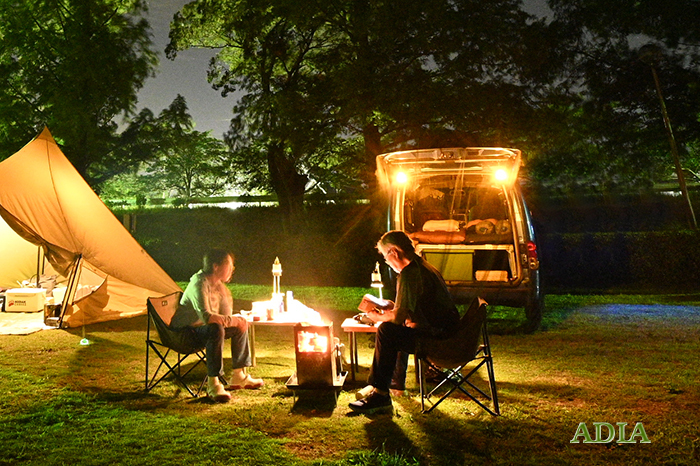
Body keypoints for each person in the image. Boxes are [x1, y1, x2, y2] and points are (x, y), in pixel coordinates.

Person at [349, 230, 460, 414]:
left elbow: (399, 317)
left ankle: (380, 393)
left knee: (387, 330)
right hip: (449, 334)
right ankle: (386, 388)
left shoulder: (410, 273)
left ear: (394, 252)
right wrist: (393, 309)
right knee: (396, 330)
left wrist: (376, 317)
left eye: (385, 257)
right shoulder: (424, 267)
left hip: (438, 341)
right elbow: (413, 310)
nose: (387, 262)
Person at [171, 249, 263, 402]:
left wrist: (234, 314)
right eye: (229, 265)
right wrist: (232, 320)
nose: (232, 269)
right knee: (216, 328)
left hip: (203, 330)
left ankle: (239, 376)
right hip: (184, 334)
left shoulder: (218, 285)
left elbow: (226, 316)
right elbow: (207, 318)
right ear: (215, 266)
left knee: (240, 325)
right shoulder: (198, 283)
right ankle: (213, 384)